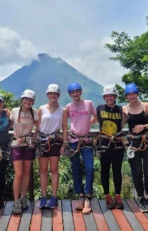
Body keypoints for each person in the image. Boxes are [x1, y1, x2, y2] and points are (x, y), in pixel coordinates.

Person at [62, 82, 97, 214]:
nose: (75, 94)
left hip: (86, 140)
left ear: (81, 92)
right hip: (73, 140)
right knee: (75, 168)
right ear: (70, 94)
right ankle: (80, 196)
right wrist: (65, 142)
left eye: (77, 91)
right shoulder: (68, 107)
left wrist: (89, 123)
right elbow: (65, 126)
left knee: (90, 167)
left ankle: (88, 196)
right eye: (72, 92)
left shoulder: (88, 103)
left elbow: (96, 117)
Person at [123, 82, 148, 213]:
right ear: (126, 96)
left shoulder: (146, 105)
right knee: (136, 171)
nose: (132, 96)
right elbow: (120, 124)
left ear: (137, 94)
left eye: (134, 94)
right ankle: (141, 198)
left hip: (147, 140)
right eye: (129, 95)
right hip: (133, 142)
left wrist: (143, 127)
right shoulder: (124, 109)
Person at [96, 86, 126, 209]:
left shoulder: (121, 109)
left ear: (115, 97)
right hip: (104, 143)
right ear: (104, 97)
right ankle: (107, 195)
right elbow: (95, 120)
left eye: (111, 96)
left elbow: (123, 124)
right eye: (107, 96)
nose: (109, 98)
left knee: (117, 170)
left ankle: (118, 195)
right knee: (105, 170)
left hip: (117, 143)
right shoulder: (100, 108)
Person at [36, 84, 65, 209]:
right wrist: (34, 140)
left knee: (54, 169)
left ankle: (53, 196)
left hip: (55, 141)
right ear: (47, 95)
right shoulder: (41, 108)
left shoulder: (63, 110)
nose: (53, 96)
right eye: (50, 94)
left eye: (55, 94)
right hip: (42, 140)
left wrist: (64, 143)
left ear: (58, 95)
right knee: (42, 170)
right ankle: (43, 196)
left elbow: (64, 128)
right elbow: (37, 126)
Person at [10, 89, 39, 215]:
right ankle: (16, 201)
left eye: (30, 100)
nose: (28, 102)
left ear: (33, 102)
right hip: (17, 145)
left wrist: (34, 136)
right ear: (22, 100)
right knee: (19, 174)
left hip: (28, 144)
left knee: (27, 172)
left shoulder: (34, 112)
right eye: (26, 99)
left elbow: (38, 124)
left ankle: (23, 198)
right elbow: (10, 124)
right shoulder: (15, 111)